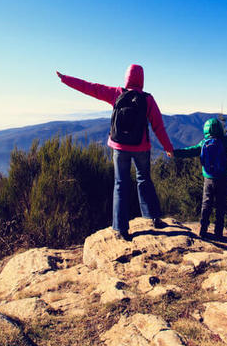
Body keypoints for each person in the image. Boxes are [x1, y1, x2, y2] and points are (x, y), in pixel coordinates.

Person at [56, 65, 174, 240]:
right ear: (142, 79)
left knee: (120, 184)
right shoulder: (148, 99)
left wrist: (66, 79)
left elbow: (90, 88)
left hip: (119, 147)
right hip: (141, 148)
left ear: (126, 77)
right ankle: (154, 218)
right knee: (144, 179)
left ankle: (120, 228)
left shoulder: (116, 93)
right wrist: (168, 147)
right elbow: (158, 126)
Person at [173, 108, 227, 239]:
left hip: (208, 179)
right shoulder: (225, 142)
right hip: (222, 178)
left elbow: (189, 151)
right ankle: (218, 232)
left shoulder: (203, 144)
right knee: (220, 206)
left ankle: (203, 230)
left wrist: (174, 152)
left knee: (206, 204)